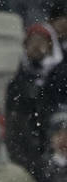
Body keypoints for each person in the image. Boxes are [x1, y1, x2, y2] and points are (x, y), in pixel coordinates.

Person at [5, 23, 63, 169]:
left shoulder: (61, 74)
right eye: (32, 41)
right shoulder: (18, 78)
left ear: (50, 46)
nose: (36, 46)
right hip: (27, 144)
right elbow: (14, 117)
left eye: (41, 41)